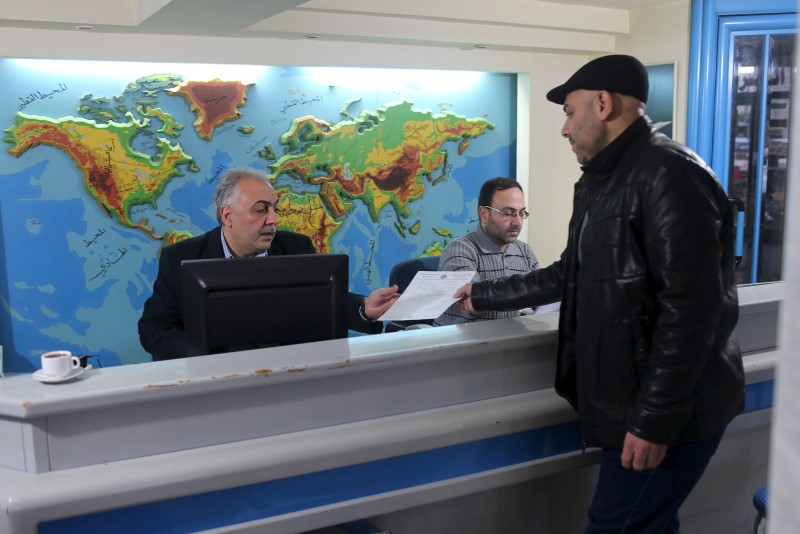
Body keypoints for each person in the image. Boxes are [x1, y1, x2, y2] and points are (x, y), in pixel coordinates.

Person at [453, 55, 744, 532]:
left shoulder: (667, 173)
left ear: (603, 104)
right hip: (631, 403)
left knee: (617, 525)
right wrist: (483, 295)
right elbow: (572, 272)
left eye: (569, 111)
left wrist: (653, 420)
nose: (565, 129)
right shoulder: (603, 180)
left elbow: (692, 310)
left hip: (669, 413)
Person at [138, 166, 400, 361]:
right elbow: (154, 330)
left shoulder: (296, 248)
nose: (273, 219)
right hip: (214, 382)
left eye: (275, 208)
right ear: (227, 215)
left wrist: (364, 309)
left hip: (288, 378)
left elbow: (321, 306)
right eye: (261, 210)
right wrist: (216, 351)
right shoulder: (181, 258)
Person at [433, 177, 540, 326]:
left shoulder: (525, 251)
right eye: (508, 213)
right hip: (463, 344)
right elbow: (475, 303)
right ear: (484, 214)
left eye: (521, 213)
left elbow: (540, 297)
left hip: (508, 341)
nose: (517, 222)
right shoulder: (460, 250)